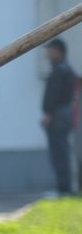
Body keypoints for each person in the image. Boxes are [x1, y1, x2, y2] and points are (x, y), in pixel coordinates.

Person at [41, 38, 77, 195]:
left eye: (50, 50)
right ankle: (64, 187)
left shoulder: (60, 70)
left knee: (59, 152)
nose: (47, 54)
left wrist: (48, 113)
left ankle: (64, 188)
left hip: (57, 115)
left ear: (58, 51)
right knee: (61, 151)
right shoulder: (65, 69)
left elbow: (54, 96)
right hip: (62, 113)